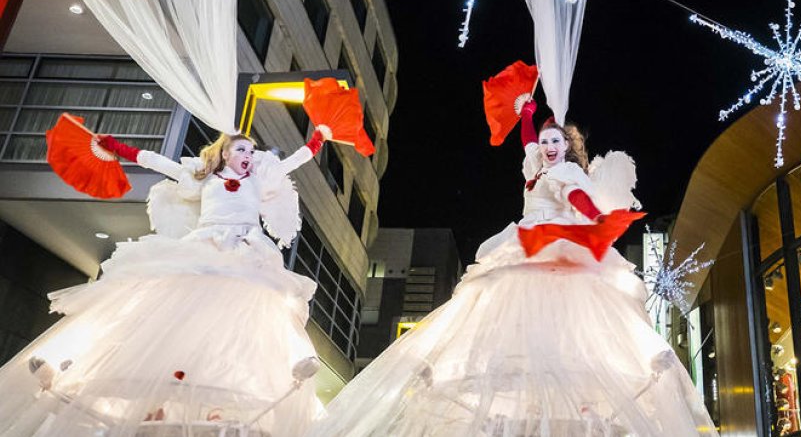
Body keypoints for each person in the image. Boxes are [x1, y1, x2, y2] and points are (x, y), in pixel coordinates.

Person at [308, 100, 716, 436]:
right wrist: (525, 114)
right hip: (524, 246)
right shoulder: (535, 167)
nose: (549, 146)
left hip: (552, 248)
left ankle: (572, 407)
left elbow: (577, 196)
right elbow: (525, 144)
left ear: (567, 146)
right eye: (545, 141)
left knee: (557, 332)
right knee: (513, 331)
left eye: (556, 141)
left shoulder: (566, 171)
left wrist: (595, 218)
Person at [0, 127, 332, 436]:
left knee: (232, 329)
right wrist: (117, 148)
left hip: (247, 253)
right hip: (204, 248)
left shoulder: (258, 180)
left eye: (252, 151)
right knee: (178, 319)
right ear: (225, 153)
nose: (250, 155)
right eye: (243, 149)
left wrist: (319, 137)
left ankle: (216, 407)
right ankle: (156, 401)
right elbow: (158, 162)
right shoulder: (202, 177)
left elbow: (293, 160)